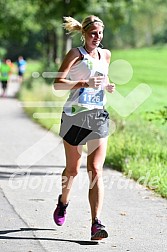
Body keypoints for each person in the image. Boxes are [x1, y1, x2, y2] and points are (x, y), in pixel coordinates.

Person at [53, 15, 115, 240]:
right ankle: (63, 202)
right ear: (84, 34)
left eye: (100, 33)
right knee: (72, 170)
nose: (97, 38)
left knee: (95, 170)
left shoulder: (105, 55)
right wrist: (83, 83)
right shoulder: (75, 54)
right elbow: (58, 83)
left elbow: (101, 78)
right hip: (74, 117)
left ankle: (96, 223)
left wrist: (107, 86)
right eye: (93, 34)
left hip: (98, 115)